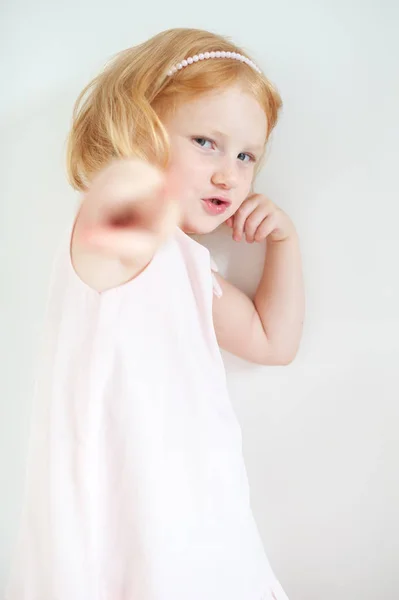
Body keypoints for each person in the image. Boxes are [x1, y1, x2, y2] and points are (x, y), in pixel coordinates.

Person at [7, 27, 304, 600]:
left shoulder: (188, 268)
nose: (229, 174)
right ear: (139, 130)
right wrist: (142, 161)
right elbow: (124, 188)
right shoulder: (114, 239)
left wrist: (284, 244)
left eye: (247, 156)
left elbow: (273, 341)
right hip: (127, 524)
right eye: (205, 143)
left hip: (199, 521)